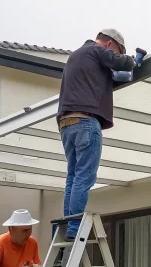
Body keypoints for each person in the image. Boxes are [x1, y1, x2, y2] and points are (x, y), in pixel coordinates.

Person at [56, 28, 136, 240]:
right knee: (84, 177)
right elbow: (123, 63)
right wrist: (133, 61)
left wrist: (123, 75)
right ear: (110, 45)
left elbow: (110, 79)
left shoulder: (77, 57)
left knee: (73, 177)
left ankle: (67, 225)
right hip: (85, 121)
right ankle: (74, 229)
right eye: (118, 50)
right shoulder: (95, 50)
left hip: (66, 123)